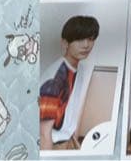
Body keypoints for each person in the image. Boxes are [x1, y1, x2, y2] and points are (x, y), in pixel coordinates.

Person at [39, 16, 99, 151]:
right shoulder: (53, 81)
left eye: (90, 39)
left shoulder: (78, 69)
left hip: (68, 141)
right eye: (79, 39)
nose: (86, 45)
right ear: (65, 43)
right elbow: (43, 134)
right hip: (52, 144)